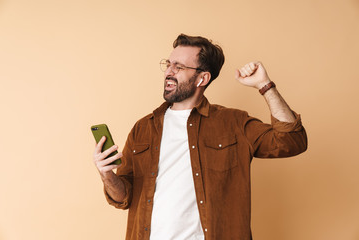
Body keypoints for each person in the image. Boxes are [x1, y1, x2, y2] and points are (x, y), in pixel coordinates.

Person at [93, 34, 307, 240]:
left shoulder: (233, 123)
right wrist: (107, 175)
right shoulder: (143, 128)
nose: (169, 71)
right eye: (168, 64)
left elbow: (292, 141)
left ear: (202, 78)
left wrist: (264, 85)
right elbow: (124, 198)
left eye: (179, 67)